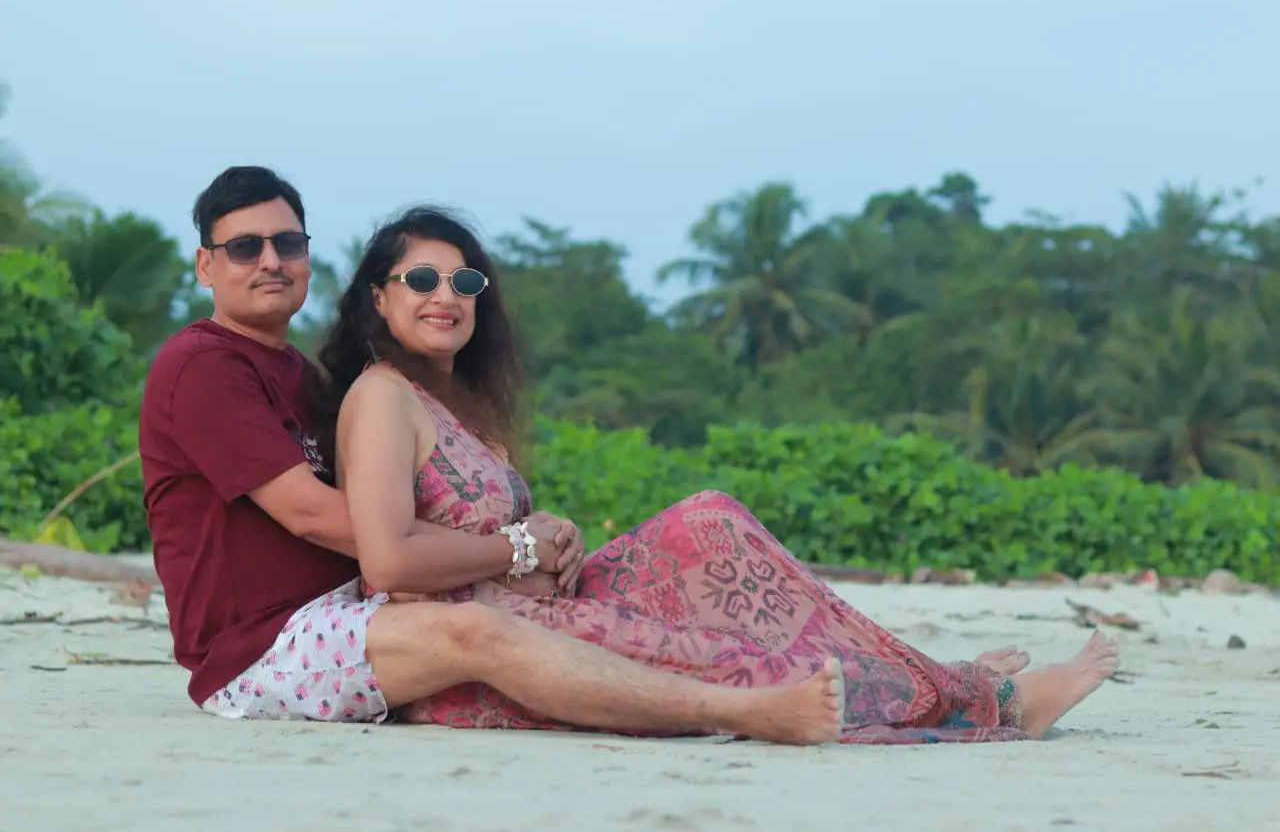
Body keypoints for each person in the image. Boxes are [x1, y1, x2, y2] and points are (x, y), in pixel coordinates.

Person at [306, 204, 1121, 745]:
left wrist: (548, 539)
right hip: (477, 653)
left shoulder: (453, 404)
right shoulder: (381, 399)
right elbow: (389, 561)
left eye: (465, 281)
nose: (445, 295)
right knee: (726, 652)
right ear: (379, 297)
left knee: (709, 521)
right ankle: (994, 702)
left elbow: (487, 536)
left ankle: (932, 675)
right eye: (420, 280)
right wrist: (521, 547)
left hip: (536, 604)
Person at [140, 165, 849, 745]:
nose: (270, 260)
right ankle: (745, 712)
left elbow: (397, 513)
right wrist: (510, 549)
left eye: (287, 244)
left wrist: (531, 545)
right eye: (244, 247)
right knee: (476, 627)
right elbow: (315, 515)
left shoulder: (306, 376)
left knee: (675, 553)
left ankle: (818, 666)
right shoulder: (203, 365)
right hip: (263, 647)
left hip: (356, 610)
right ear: (206, 264)